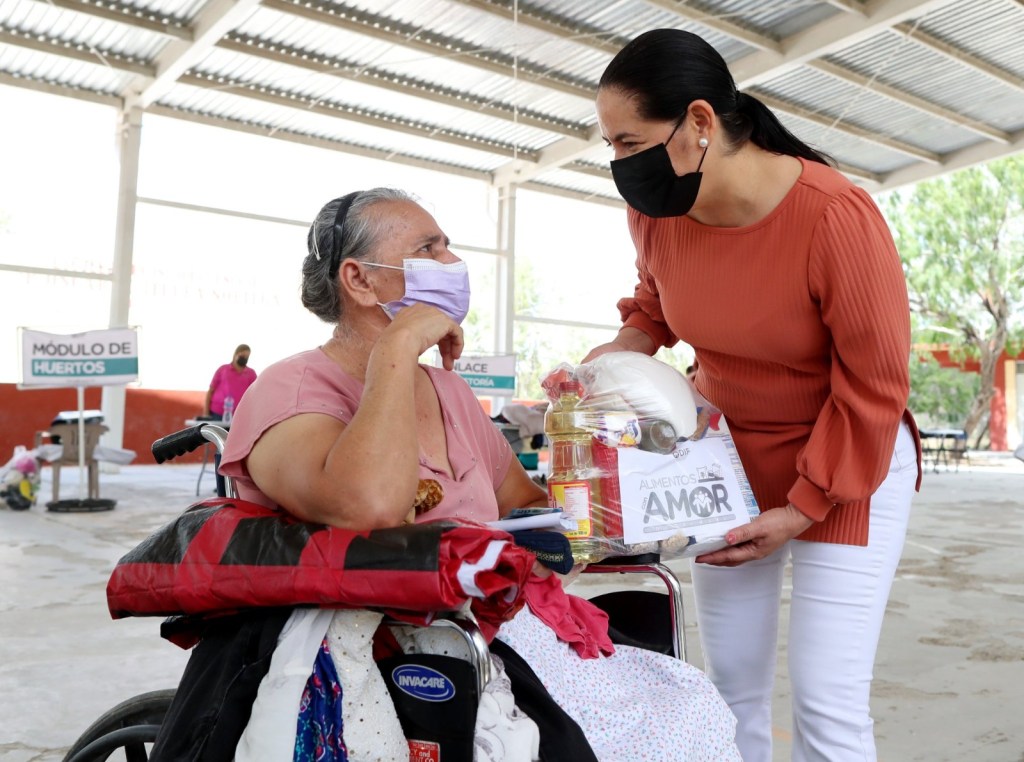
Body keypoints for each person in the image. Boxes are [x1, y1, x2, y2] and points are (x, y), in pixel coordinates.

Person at [219, 187, 741, 760]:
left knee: (686, 702)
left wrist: (612, 466)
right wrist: (397, 346)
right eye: (428, 248)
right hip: (404, 645)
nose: (452, 264)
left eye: (449, 246)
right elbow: (365, 507)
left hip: (501, 631)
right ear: (360, 280)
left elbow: (529, 506)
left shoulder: (448, 389)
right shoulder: (291, 390)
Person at [586, 28, 923, 762]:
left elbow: (874, 386)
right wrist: (600, 372)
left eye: (628, 140)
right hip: (726, 470)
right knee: (728, 688)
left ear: (700, 122)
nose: (618, 162)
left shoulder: (835, 216)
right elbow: (653, 311)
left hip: (846, 462)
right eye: (609, 143)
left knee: (825, 701)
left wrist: (805, 507)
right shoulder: (658, 212)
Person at [202, 343, 256, 496]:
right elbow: (211, 391)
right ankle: (220, 484)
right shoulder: (223, 370)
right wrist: (206, 412)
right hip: (218, 413)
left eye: (247, 356)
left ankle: (234, 484)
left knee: (236, 450)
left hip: (239, 416)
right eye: (242, 355)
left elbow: (255, 393)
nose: (244, 358)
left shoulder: (250, 374)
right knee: (221, 448)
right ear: (235, 354)